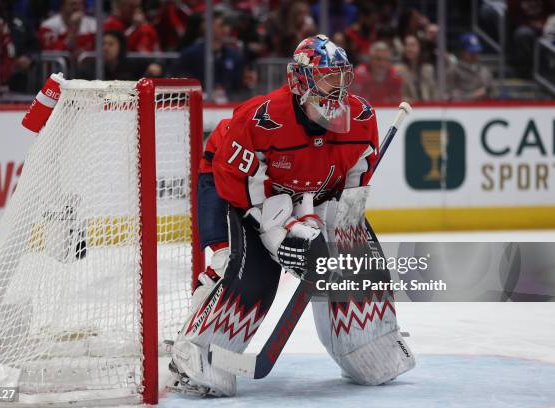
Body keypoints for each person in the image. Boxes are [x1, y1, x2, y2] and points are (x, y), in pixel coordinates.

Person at [167, 34, 415, 397]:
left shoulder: (361, 118)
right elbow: (245, 190)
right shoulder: (260, 119)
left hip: (309, 192)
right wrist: (286, 239)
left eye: (342, 77)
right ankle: (195, 353)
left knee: (355, 267)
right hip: (236, 188)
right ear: (300, 80)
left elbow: (348, 197)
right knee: (246, 272)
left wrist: (328, 235)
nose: (339, 89)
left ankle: (370, 346)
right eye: (328, 79)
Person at [173, 10, 243, 102]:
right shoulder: (190, 54)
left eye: (227, 25)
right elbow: (179, 82)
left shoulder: (233, 56)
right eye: (221, 25)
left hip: (227, 107)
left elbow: (237, 87)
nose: (226, 29)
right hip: (197, 105)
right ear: (207, 26)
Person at [446, 33, 494, 101]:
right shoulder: (453, 70)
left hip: (483, 109)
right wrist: (474, 95)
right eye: (471, 52)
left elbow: (491, 93)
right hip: (461, 110)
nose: (475, 54)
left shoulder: (484, 70)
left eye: (476, 51)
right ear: (462, 52)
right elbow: (449, 96)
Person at [395, 34, 437, 102]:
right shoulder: (398, 70)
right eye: (407, 45)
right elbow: (396, 94)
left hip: (427, 109)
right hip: (407, 108)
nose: (409, 48)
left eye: (412, 45)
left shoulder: (428, 69)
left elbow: (434, 93)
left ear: (420, 47)